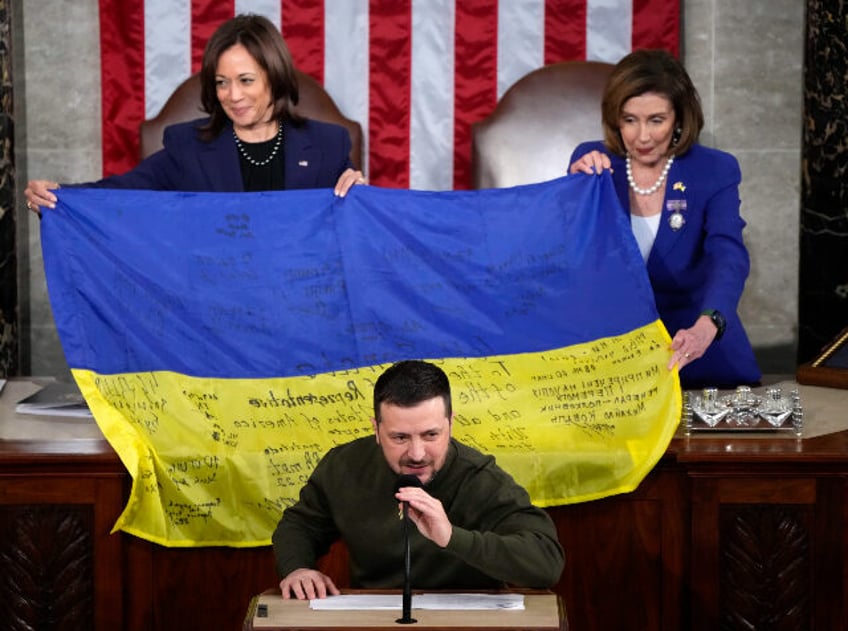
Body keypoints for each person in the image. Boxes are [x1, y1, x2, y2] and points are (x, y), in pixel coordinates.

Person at [272, 359, 565, 599]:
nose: (417, 453)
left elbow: (546, 563)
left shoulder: (480, 478)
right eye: (399, 437)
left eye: (431, 435)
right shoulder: (344, 465)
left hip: (467, 624)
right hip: (372, 623)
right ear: (376, 429)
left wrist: (451, 537)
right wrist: (297, 568)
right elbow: (299, 525)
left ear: (450, 425)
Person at [24, 14, 364, 213]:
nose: (233, 96)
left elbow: (357, 221)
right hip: (215, 307)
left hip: (304, 306)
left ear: (274, 79)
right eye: (221, 83)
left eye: (246, 80)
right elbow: (120, 193)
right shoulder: (186, 146)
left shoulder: (327, 144)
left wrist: (360, 195)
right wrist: (60, 196)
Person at [568, 49, 761, 389]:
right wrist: (574, 193)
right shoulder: (591, 163)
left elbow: (727, 255)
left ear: (680, 118)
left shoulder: (714, 170)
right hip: (612, 359)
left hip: (694, 353)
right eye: (630, 120)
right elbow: (569, 254)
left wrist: (709, 323)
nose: (642, 136)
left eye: (656, 120)